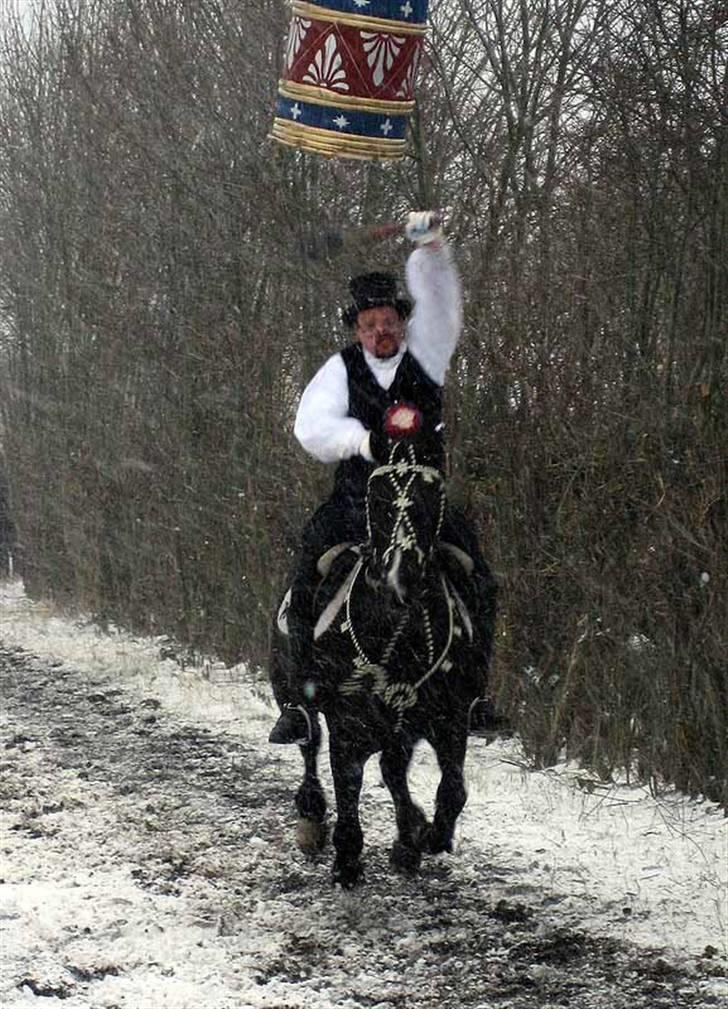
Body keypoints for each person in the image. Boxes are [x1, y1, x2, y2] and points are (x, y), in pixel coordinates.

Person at [269, 211, 495, 744]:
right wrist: (364, 441)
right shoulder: (340, 369)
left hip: (423, 504)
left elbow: (443, 302)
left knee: (480, 579)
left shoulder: (428, 352)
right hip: (356, 501)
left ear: (401, 320)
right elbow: (312, 427)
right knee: (304, 577)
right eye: (369, 326)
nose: (381, 332)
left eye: (389, 322)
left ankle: (475, 695)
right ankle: (298, 701)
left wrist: (431, 249)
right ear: (357, 329)